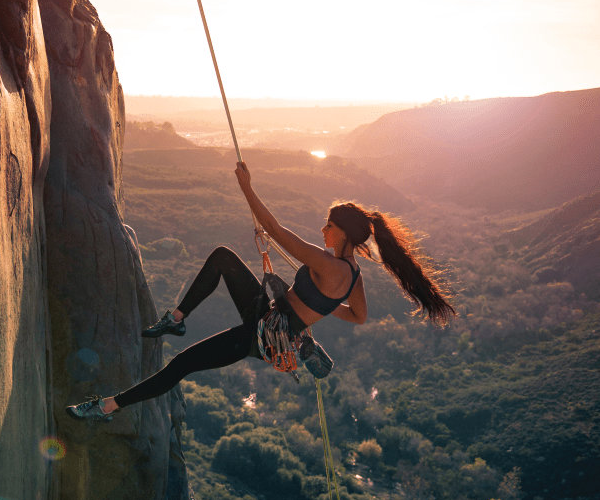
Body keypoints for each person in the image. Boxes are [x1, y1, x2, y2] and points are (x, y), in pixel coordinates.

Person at [66, 162, 455, 421]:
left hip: (262, 334)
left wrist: (246, 187)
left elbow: (275, 228)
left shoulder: (330, 265)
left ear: (345, 233)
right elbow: (360, 316)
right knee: (222, 257)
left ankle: (107, 406)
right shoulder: (352, 276)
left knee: (181, 365)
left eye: (328, 226)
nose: (323, 231)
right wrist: (319, 311)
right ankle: (178, 320)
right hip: (270, 315)